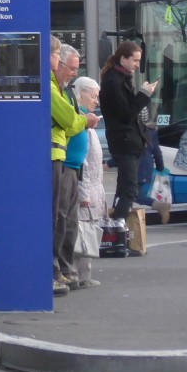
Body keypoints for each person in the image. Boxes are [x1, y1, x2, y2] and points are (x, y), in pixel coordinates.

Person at [51, 41, 94, 294]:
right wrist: (82, 121)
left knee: (66, 220)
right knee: (59, 218)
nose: (73, 72)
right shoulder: (52, 87)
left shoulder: (62, 90)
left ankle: (63, 269)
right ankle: (57, 270)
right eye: (71, 67)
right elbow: (68, 120)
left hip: (67, 161)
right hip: (59, 159)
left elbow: (70, 121)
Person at [100, 41, 156, 225]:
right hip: (125, 142)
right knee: (130, 190)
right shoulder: (113, 81)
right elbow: (126, 114)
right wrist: (143, 94)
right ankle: (118, 227)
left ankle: (116, 228)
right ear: (123, 58)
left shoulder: (120, 79)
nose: (137, 65)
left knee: (124, 188)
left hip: (129, 142)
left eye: (139, 61)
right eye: (135, 60)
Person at [73, 76, 105, 289]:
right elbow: (81, 162)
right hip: (86, 189)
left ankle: (83, 274)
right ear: (81, 94)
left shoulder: (89, 123)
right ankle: (76, 274)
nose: (96, 101)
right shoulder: (82, 124)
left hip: (93, 188)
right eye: (93, 96)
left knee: (88, 232)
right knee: (80, 232)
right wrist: (83, 193)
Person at [134, 123, 171, 223]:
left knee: (133, 195)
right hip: (145, 168)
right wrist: (160, 167)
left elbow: (128, 152)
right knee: (129, 194)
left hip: (138, 168)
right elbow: (157, 152)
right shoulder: (150, 131)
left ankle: (161, 206)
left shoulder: (133, 130)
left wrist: (110, 163)